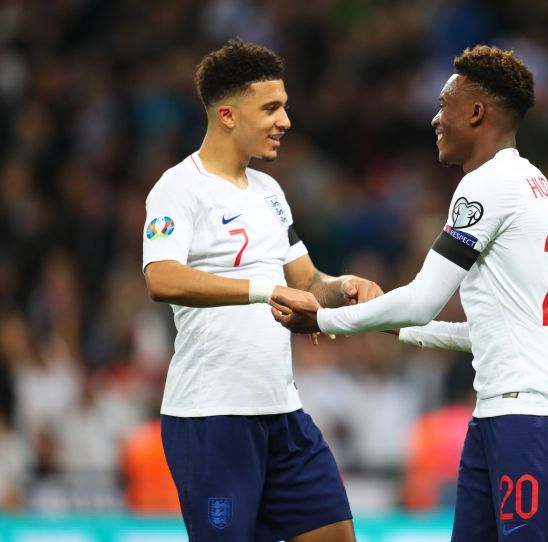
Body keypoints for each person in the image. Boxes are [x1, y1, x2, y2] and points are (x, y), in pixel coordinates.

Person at [272, 45, 548, 541]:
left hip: (537, 411)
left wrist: (322, 319)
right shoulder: (533, 182)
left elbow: (423, 298)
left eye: (444, 106)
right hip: (504, 408)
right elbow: (489, 332)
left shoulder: (486, 186)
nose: (434, 119)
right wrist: (393, 323)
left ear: (476, 112)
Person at [142, 40, 381, 542]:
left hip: (281, 411)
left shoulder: (271, 193)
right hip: (212, 417)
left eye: (285, 106)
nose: (286, 120)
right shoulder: (178, 188)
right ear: (227, 115)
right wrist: (262, 290)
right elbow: (160, 277)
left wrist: (346, 287)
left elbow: (307, 282)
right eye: (271, 108)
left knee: (337, 536)